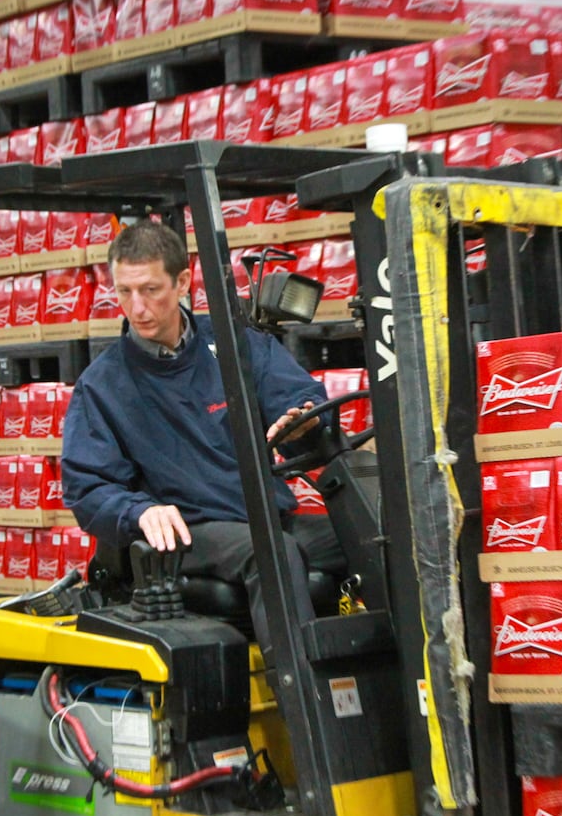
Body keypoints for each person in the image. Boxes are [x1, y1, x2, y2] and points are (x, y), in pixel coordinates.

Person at [60, 219, 347, 643]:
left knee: (374, 530)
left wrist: (302, 422)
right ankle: (301, 697)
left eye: (150, 290)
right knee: (272, 553)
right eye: (125, 292)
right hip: (189, 531)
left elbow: (297, 398)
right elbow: (87, 487)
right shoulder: (103, 385)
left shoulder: (235, 345)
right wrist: (138, 511)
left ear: (181, 282)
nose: (137, 308)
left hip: (263, 515)